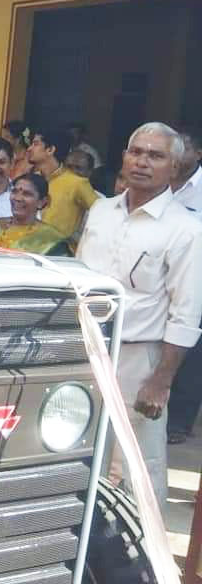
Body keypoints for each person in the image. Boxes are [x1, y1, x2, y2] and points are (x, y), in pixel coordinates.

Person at [77, 122, 202, 504]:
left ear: (174, 168)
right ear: (124, 157)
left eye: (155, 156)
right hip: (84, 348)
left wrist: (161, 381)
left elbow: (186, 314)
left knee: (136, 462)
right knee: (81, 449)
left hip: (138, 358)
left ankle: (142, 541)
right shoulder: (101, 211)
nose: (142, 162)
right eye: (136, 152)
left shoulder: (186, 230)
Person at [166, 128, 202, 444]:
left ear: (198, 154)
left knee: (191, 350)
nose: (178, 151)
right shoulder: (160, 182)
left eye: (185, 146)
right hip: (162, 275)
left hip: (196, 276)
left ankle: (179, 420)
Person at [26, 127, 98, 243]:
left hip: (59, 251)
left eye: (35, 144)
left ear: (50, 150)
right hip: (27, 246)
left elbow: (103, 215)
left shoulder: (77, 183)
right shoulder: (31, 180)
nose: (29, 149)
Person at [0, 173, 70, 256]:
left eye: (27, 194)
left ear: (41, 202)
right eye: (14, 192)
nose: (17, 198)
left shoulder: (52, 240)